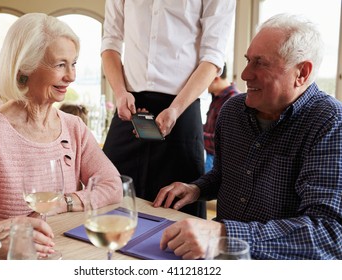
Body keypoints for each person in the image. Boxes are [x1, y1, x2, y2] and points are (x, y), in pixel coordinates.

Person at [153, 13, 342, 260]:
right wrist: (196, 188)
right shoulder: (232, 111)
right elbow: (225, 175)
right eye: (247, 60)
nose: (244, 74)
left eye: (260, 63)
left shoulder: (330, 123)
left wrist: (223, 236)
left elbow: (329, 234)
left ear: (302, 73)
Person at [0, 13, 122, 259]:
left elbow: (112, 185)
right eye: (60, 64)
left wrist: (62, 202)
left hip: (69, 251)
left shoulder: (74, 127)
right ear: (25, 68)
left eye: (73, 63)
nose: (71, 76)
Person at [101, 0, 236, 218]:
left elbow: (212, 56)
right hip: (129, 109)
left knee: (178, 212)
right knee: (107, 203)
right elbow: (110, 43)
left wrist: (175, 109)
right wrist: (119, 93)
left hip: (181, 111)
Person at [203, 63, 239, 173]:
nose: (202, 84)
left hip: (218, 160)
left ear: (216, 78)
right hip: (210, 156)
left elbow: (224, 139)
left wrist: (196, 136)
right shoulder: (217, 98)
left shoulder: (232, 101)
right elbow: (211, 128)